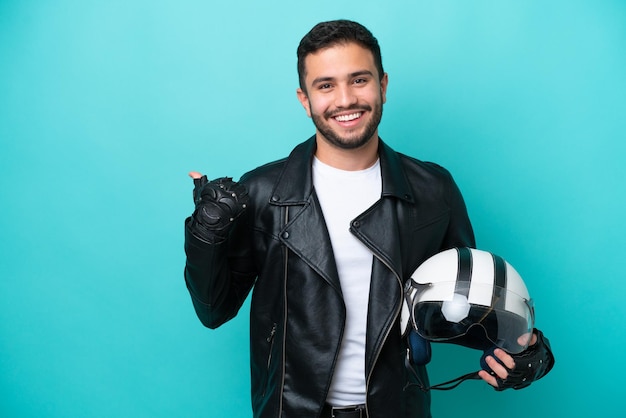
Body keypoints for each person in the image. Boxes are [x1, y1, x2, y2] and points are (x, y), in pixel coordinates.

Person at [184, 19, 553, 418]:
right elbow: (213, 311)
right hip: (290, 410)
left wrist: (528, 351)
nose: (345, 99)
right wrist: (206, 233)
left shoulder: (434, 190)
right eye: (325, 85)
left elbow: (462, 308)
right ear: (304, 99)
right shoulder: (260, 192)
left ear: (383, 85)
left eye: (359, 80)